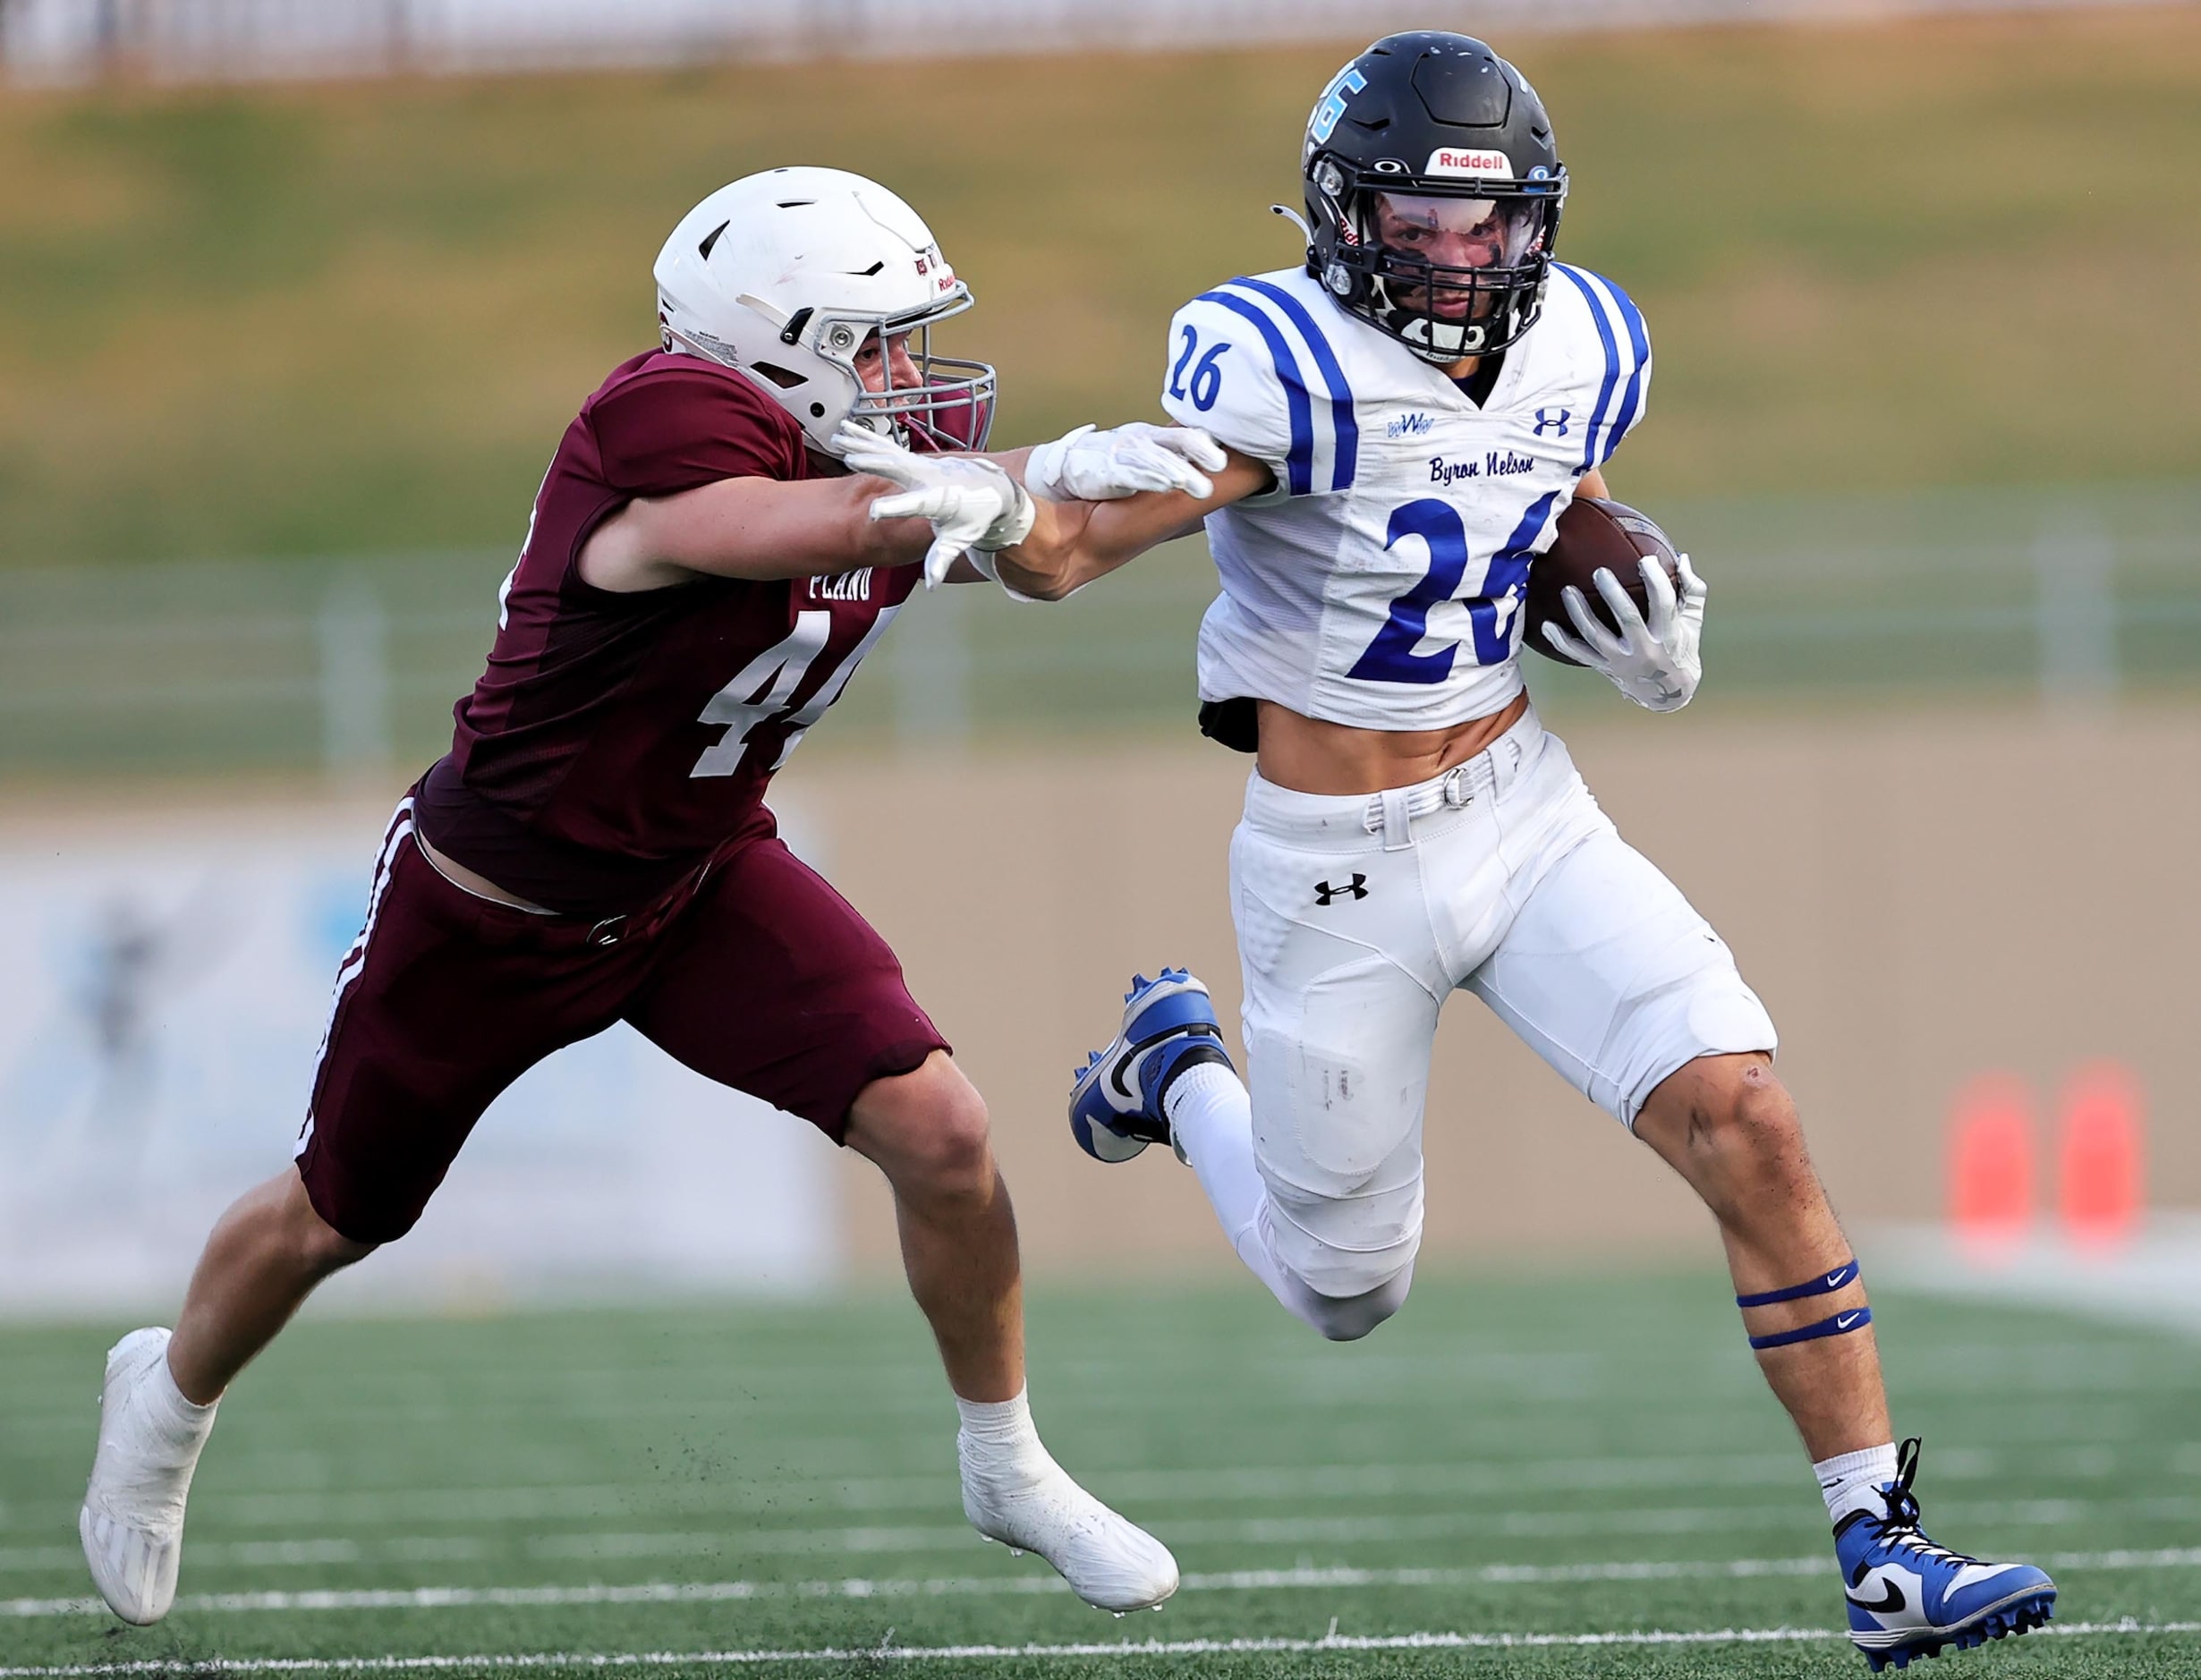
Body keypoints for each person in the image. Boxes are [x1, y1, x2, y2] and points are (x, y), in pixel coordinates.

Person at [845, 36, 2056, 1672]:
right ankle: (1178, 1069)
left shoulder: (1588, 334)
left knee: (1746, 1110)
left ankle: (1881, 1548)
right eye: (1418, 222)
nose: (1458, 257)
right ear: (1346, 217)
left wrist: (1637, 630)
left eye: (1488, 227)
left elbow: (1564, 506)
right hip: (1336, 858)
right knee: (1347, 1291)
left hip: (1523, 804)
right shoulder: (1275, 353)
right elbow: (1068, 561)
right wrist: (1001, 510)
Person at [76, 165, 1223, 1629]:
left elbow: (1044, 555)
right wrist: (949, 499)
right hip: (496, 905)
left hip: (699, 877)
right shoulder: (665, 429)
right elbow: (757, 533)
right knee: (333, 1218)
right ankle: (163, 1407)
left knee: (943, 1129)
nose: (907, 376)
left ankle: (1005, 1461)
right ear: (772, 340)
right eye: (876, 343)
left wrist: (1227, 475)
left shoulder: (874, 467)